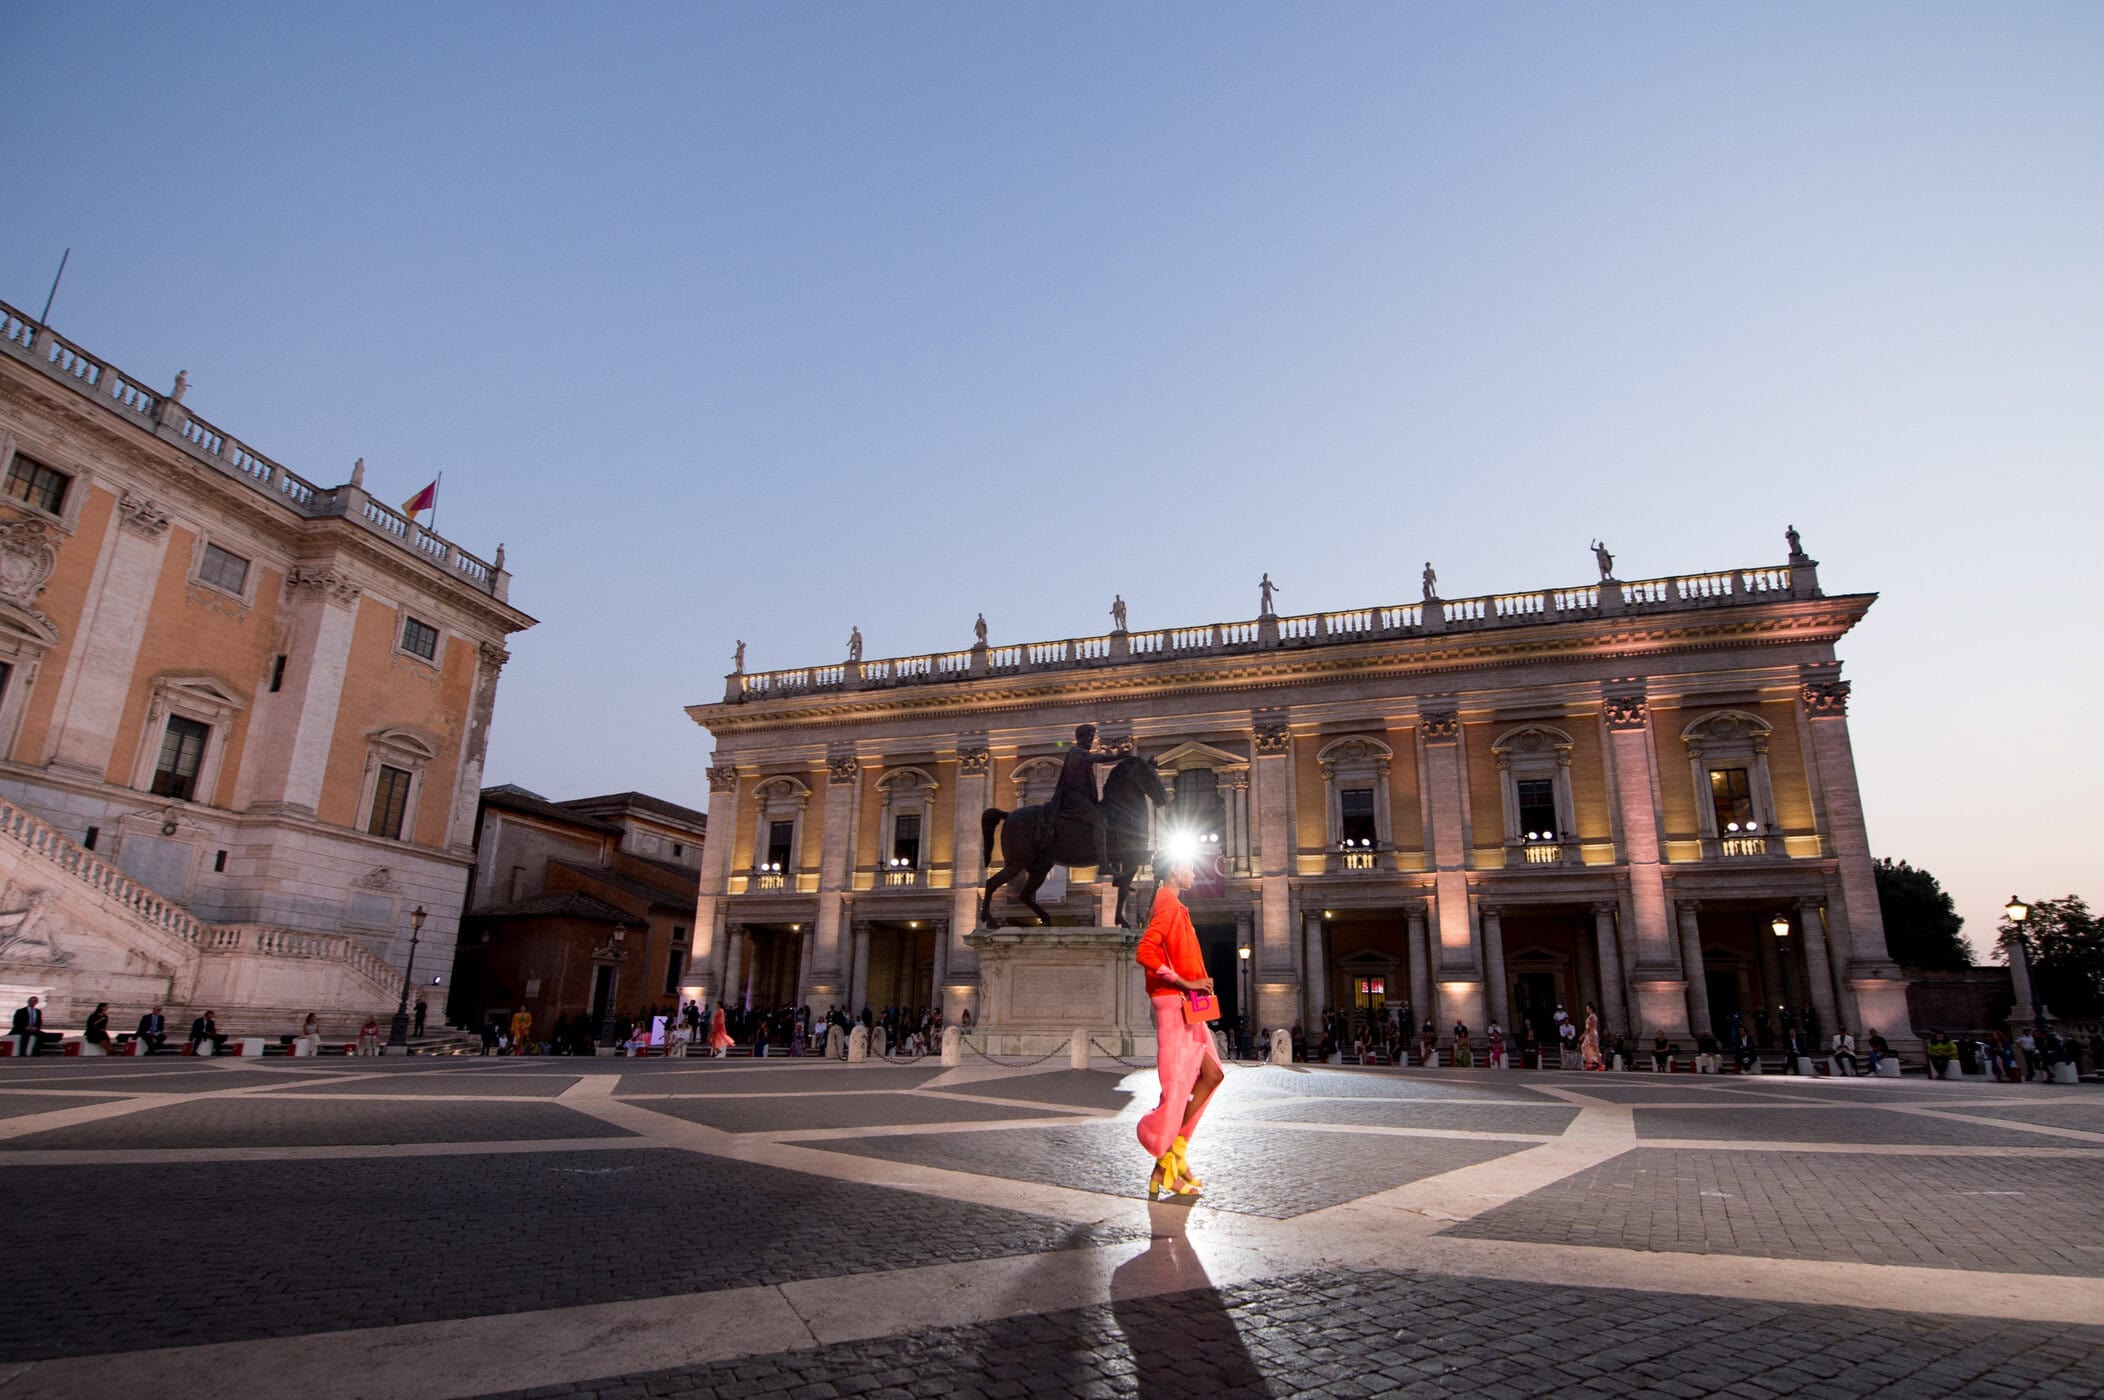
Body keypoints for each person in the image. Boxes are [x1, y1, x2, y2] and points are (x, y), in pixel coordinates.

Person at [1135, 855, 1224, 1198]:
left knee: (1212, 1075)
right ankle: (1164, 1159)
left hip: (1187, 1005)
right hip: (1174, 1004)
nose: (1193, 872)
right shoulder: (1167, 904)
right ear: (1175, 869)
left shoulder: (1173, 904)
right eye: (1189, 867)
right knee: (1177, 1086)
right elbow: (1145, 952)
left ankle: (1175, 1154)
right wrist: (1185, 983)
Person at [1050, 723, 1124, 871]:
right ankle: (1103, 864)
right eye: (1089, 737)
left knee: (1108, 817)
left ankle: (1115, 859)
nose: (1091, 740)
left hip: (1083, 800)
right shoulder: (1077, 752)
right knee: (1100, 820)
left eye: (1092, 737)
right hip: (1076, 802)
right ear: (1080, 737)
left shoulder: (1079, 753)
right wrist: (1116, 756)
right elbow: (1097, 758)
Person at [1580, 1002, 1603, 1071]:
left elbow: (1589, 1028)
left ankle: (1600, 1065)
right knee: (1585, 1047)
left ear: (1591, 1009)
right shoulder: (1592, 1016)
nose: (1586, 1009)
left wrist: (1582, 1036)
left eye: (1587, 1008)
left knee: (1595, 1048)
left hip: (1591, 1034)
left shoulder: (1592, 1017)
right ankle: (1589, 1063)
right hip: (1590, 1033)